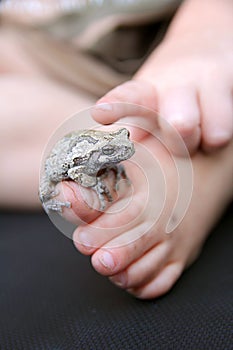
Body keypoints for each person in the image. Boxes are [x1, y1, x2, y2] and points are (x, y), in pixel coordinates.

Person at [0, 0, 232, 299]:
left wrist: (207, 22)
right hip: (47, 51)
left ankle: (198, 150)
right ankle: (155, 140)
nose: (121, 152)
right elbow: (78, 171)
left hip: (168, 51)